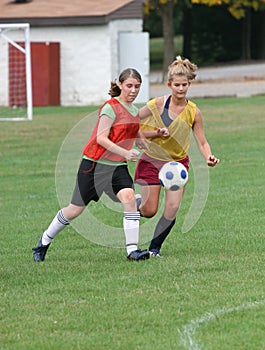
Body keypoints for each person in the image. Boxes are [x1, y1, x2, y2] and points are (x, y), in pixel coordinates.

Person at [32, 68, 150, 262]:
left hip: (117, 167)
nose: (133, 90)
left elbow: (132, 128)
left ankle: (132, 251)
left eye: (137, 86)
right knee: (75, 210)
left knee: (128, 198)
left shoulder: (135, 111)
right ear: (120, 85)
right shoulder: (110, 107)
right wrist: (125, 152)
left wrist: (142, 140)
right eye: (129, 86)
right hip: (94, 166)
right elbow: (101, 138)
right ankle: (44, 241)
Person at [135, 56, 220, 257]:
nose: (180, 89)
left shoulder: (194, 112)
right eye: (177, 85)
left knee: (172, 208)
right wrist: (145, 135)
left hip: (176, 165)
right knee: (149, 211)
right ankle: (135, 203)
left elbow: (201, 141)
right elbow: (132, 120)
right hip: (151, 161)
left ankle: (154, 249)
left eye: (184, 85)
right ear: (169, 85)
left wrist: (209, 156)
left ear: (189, 84)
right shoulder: (156, 104)